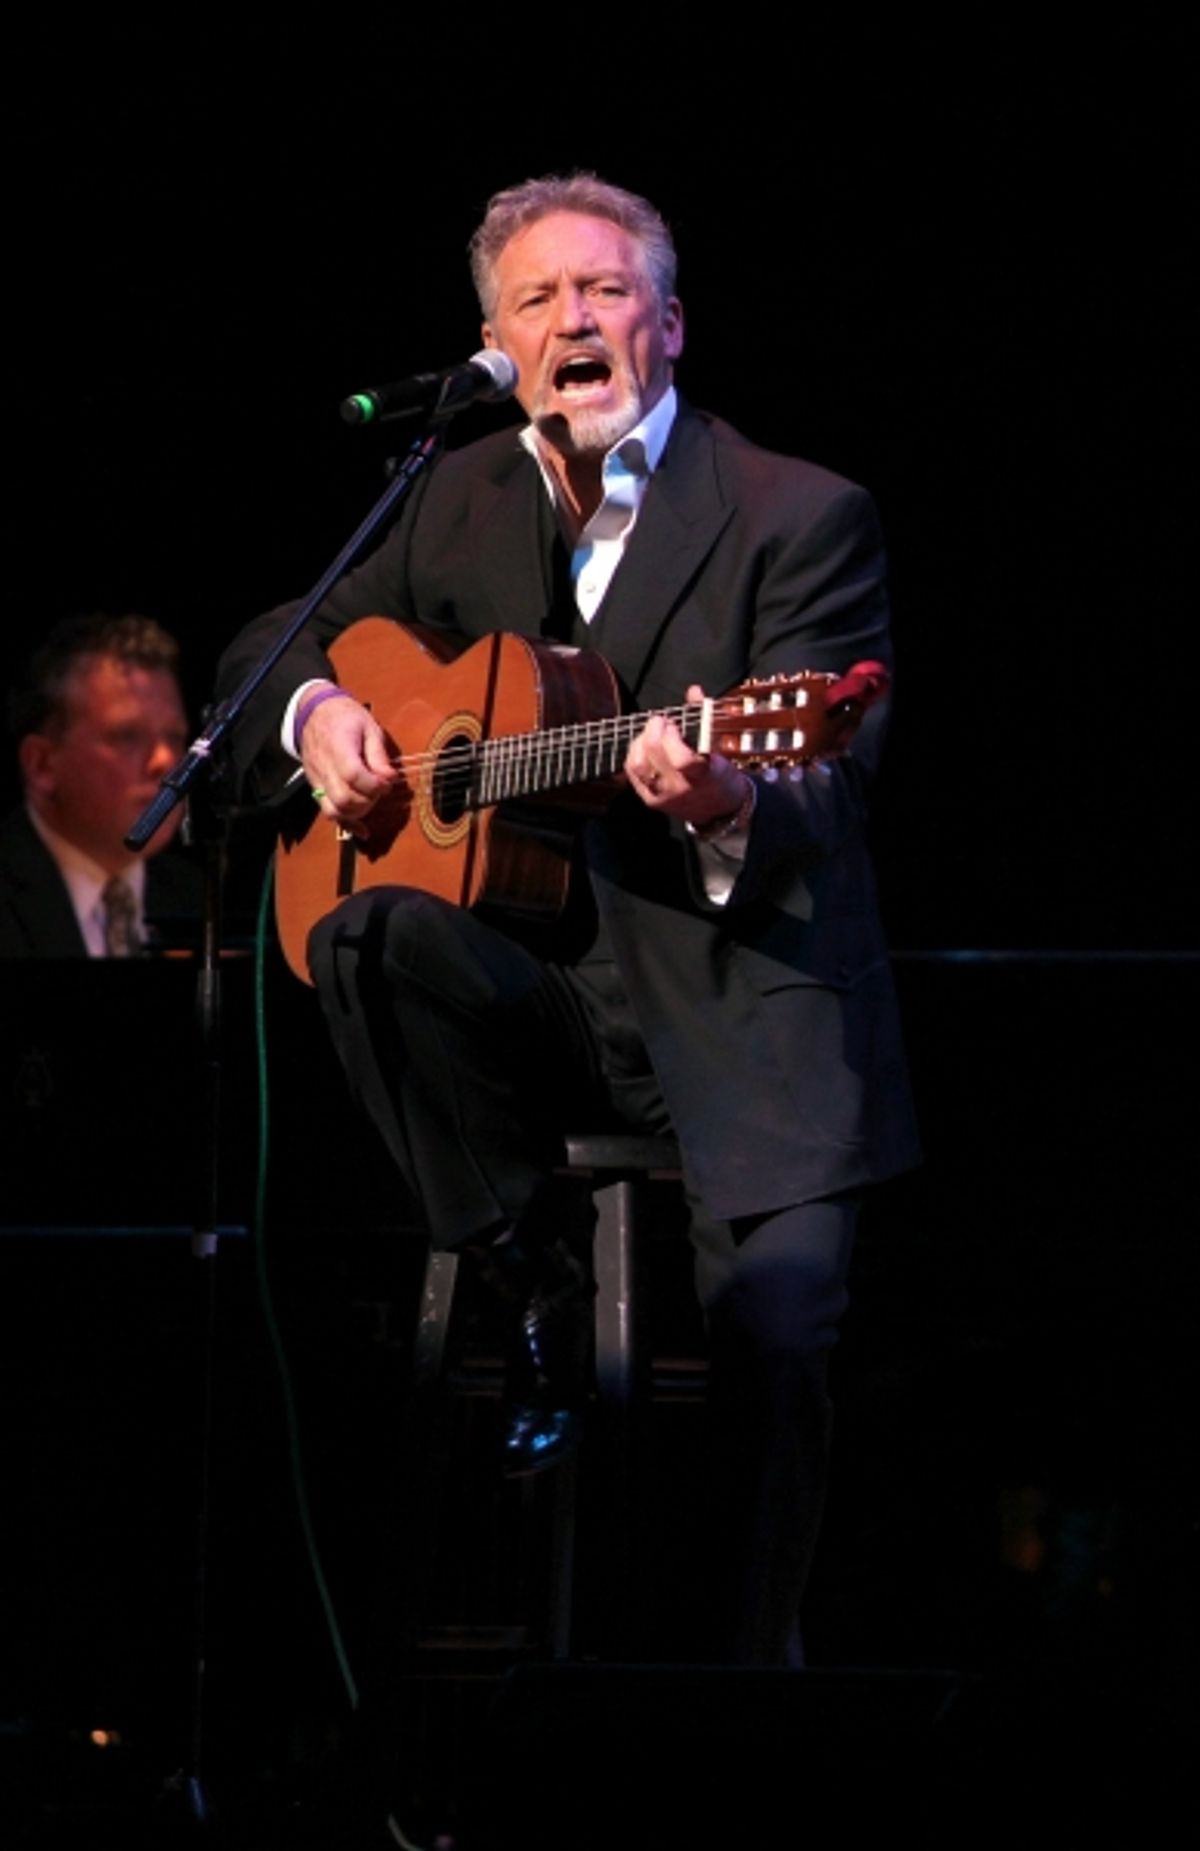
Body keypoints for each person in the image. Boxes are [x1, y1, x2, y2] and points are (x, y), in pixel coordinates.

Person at [216, 173, 920, 1665]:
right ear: (494, 340)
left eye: (603, 291)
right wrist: (322, 709)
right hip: (537, 1014)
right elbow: (258, 658)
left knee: (779, 1351)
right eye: (537, 301)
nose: (573, 321)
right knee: (356, 931)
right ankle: (522, 1265)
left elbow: (834, 779)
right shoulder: (454, 493)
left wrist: (729, 787)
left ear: (667, 323)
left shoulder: (800, 512)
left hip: (743, 1007)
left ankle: (734, 1692)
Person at [1, 612, 199, 957]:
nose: (166, 761)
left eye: (175, 737)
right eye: (127, 737)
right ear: (42, 764)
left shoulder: (198, 901)